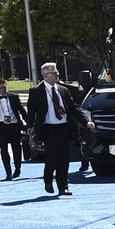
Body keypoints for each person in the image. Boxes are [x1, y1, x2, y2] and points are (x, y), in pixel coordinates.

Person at [26, 62, 95, 196]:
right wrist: (29, 127)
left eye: (57, 72)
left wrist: (86, 122)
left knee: (64, 157)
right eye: (54, 72)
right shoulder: (36, 91)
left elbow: (73, 108)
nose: (58, 74)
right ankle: (48, 180)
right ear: (46, 75)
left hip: (64, 128)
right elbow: (31, 111)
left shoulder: (63, 90)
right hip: (48, 129)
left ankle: (63, 186)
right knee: (52, 157)